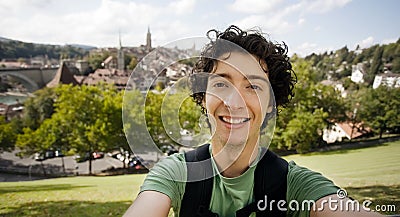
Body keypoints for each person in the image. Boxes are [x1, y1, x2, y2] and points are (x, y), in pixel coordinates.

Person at [123, 25, 383, 217]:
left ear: (270, 103)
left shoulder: (296, 184)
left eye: (253, 87)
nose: (234, 102)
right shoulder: (176, 174)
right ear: (203, 98)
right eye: (222, 83)